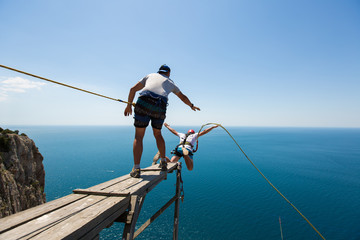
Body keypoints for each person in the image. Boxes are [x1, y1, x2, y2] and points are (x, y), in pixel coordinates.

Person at [124, 64, 200, 178]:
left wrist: (129, 105)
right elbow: (183, 97)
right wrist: (192, 105)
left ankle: (136, 168)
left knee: (139, 137)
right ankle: (164, 161)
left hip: (143, 102)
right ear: (168, 73)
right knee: (158, 134)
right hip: (159, 106)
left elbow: (132, 89)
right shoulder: (170, 82)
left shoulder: (150, 75)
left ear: (159, 71)